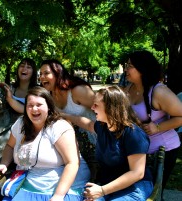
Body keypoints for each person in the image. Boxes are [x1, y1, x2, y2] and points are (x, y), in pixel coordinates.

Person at [0, 86, 90, 201]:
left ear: (49, 107)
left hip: (62, 187)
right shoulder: (20, 124)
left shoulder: (59, 127)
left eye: (39, 105)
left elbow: (72, 163)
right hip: (28, 183)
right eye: (30, 105)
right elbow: (10, 146)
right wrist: (4, 163)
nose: (34, 109)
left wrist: (58, 196)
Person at [62, 86, 153, 200]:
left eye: (96, 105)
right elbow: (88, 124)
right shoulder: (102, 126)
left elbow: (137, 173)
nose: (92, 107)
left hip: (134, 187)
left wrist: (102, 190)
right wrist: (64, 115)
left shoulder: (133, 134)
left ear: (111, 108)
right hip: (109, 185)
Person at [123, 50, 182, 198]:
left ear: (142, 69)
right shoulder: (129, 89)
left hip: (162, 152)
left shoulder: (159, 91)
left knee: (153, 193)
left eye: (129, 66)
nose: (125, 69)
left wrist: (157, 127)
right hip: (138, 151)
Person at [39, 59, 97, 181]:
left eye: (46, 73)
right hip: (71, 147)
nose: (42, 77)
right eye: (40, 74)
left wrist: (64, 116)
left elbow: (107, 110)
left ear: (57, 73)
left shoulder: (77, 90)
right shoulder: (49, 96)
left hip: (97, 144)